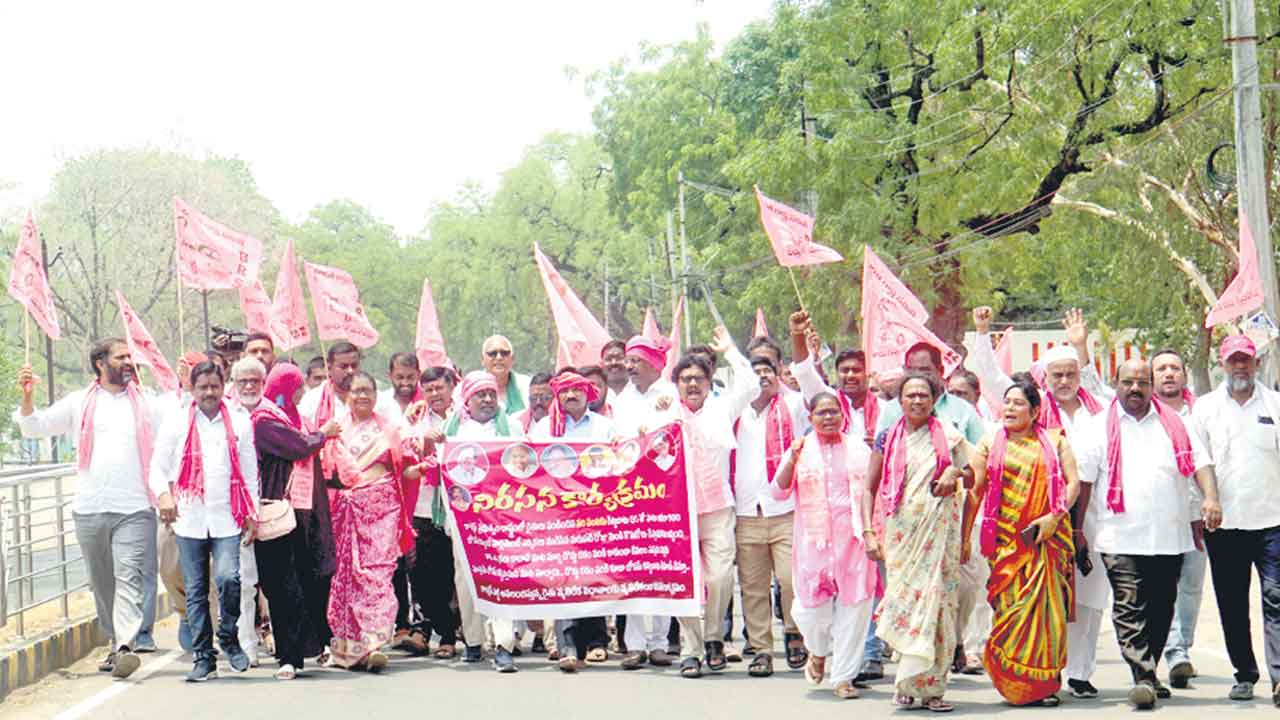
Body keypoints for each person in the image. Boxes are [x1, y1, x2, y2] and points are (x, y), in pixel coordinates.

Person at [969, 306, 1112, 700]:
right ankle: (1037, 675)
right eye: (1057, 375)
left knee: (1090, 598)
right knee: (1049, 602)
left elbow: (1104, 386)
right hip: (1036, 526)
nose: (1065, 380)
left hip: (1095, 517)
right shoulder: (1034, 413)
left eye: (1072, 373)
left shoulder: (1097, 407)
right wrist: (982, 333)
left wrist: (1082, 346)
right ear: (1043, 380)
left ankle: (1080, 673)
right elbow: (992, 376)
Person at [1074, 359, 1221, 709]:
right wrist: (1077, 528)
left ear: (1152, 385)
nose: (1135, 389)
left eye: (1142, 382)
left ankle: (1150, 671)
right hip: (1119, 535)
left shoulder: (1176, 424)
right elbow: (1083, 482)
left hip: (1168, 536)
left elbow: (1201, 464)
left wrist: (1211, 498)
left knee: (1160, 607)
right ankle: (1142, 676)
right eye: (1128, 382)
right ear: (1117, 383)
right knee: (1129, 606)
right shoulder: (1098, 427)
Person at [15, 339, 165, 679]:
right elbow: (34, 427)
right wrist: (27, 397)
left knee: (129, 577)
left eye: (130, 357)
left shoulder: (147, 404)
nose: (129, 362)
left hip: (135, 507)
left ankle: (126, 645)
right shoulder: (78, 402)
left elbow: (172, 434)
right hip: (90, 507)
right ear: (101, 363)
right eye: (121, 357)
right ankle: (115, 639)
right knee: (102, 583)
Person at [965, 375, 1080, 706]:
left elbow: (1072, 483)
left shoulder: (1056, 442)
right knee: (1011, 613)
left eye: (1019, 403)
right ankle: (1014, 686)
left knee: (1046, 616)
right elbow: (975, 492)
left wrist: (1054, 516)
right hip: (1006, 547)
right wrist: (963, 538)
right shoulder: (989, 443)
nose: (1010, 408)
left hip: (1047, 543)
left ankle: (1043, 685)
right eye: (1007, 402)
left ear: (1034, 410)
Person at [788, 314, 889, 679]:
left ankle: (866, 656)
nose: (849, 376)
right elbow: (802, 370)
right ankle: (820, 650)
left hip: (874, 514)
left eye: (856, 371)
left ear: (868, 375)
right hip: (822, 527)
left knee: (865, 593)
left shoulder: (888, 408)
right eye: (843, 370)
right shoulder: (831, 405)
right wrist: (798, 335)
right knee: (815, 603)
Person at [869, 371, 973, 712]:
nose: (916, 401)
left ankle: (934, 689)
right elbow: (868, 488)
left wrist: (953, 473)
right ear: (900, 401)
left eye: (923, 395)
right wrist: (869, 532)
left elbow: (976, 473)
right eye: (910, 395)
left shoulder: (950, 436)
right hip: (901, 539)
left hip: (940, 537)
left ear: (934, 400)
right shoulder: (887, 438)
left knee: (939, 608)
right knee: (907, 607)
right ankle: (905, 683)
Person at [150, 360, 259, 682]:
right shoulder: (176, 423)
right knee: (196, 590)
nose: (209, 392)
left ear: (224, 386)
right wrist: (164, 496)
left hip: (227, 517)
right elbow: (156, 468)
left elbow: (251, 473)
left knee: (228, 580)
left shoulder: (240, 423)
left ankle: (228, 636)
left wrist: (253, 514)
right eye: (203, 387)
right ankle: (203, 656)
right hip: (188, 517)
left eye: (215, 386)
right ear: (192, 389)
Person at [770, 392, 879, 699]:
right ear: (811, 418)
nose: (829, 418)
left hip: (854, 540)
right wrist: (791, 460)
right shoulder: (800, 450)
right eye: (822, 413)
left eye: (834, 412)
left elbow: (875, 490)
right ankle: (817, 651)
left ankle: (843, 677)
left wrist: (873, 534)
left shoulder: (859, 448)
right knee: (809, 611)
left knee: (855, 609)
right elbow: (778, 492)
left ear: (843, 416)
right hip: (813, 543)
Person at [1191, 335, 1280, 704]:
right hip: (1223, 524)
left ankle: (1278, 679)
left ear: (1256, 364)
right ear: (1222, 364)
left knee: (1277, 597)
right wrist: (1210, 499)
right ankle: (1244, 673)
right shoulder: (1206, 408)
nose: (1240, 367)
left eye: (1246, 360)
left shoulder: (1275, 404)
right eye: (1233, 361)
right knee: (1231, 602)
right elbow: (1200, 459)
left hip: (1273, 520)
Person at [668, 328, 760, 678]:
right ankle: (691, 651)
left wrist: (731, 351)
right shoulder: (665, 412)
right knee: (685, 582)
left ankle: (713, 639)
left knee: (720, 577)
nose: (692, 385)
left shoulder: (722, 409)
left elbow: (751, 386)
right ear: (676, 384)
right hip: (676, 512)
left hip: (718, 506)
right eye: (686, 379)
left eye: (699, 379)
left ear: (709, 382)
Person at [325, 371, 424, 672]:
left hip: (381, 510)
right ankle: (350, 649)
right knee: (345, 578)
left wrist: (425, 456)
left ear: (376, 394)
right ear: (347, 395)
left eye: (368, 390)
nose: (362, 396)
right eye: (356, 391)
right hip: (344, 513)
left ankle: (375, 642)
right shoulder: (334, 429)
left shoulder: (391, 430)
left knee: (377, 574)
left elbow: (408, 463)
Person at [249, 361, 340, 680]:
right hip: (277, 516)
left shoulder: (295, 419)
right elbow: (298, 447)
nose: (301, 392)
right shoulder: (264, 422)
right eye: (296, 386)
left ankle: (312, 646)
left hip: (305, 516)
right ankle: (289, 656)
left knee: (312, 580)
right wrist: (322, 435)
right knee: (282, 586)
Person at [530, 370, 616, 671]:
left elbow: (617, 464)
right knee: (564, 575)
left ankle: (595, 642)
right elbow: (532, 468)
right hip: (559, 515)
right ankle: (567, 645)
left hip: (594, 512)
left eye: (576, 390)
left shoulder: (605, 427)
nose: (570, 395)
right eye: (564, 391)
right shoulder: (543, 430)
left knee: (592, 576)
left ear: (588, 393)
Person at [732, 350, 809, 677]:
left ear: (779, 375)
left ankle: (794, 632)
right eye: (755, 372)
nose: (762, 377)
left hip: (785, 508)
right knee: (753, 587)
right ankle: (762, 649)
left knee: (790, 580)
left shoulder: (792, 407)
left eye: (768, 371)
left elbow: (810, 385)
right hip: (747, 512)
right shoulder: (735, 413)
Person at [441, 370, 524, 671]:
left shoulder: (511, 427)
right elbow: (438, 467)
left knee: (502, 578)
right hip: (465, 521)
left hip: (502, 518)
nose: (488, 399)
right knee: (465, 581)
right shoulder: (451, 431)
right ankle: (474, 642)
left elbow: (525, 464)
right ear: (468, 399)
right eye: (481, 394)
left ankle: (504, 646)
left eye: (491, 393)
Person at [614, 334, 681, 666]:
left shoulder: (671, 394)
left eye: (636, 360)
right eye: (628, 360)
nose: (629, 366)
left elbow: (675, 436)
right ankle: (635, 644)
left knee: (661, 567)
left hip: (664, 495)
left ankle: (659, 642)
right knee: (633, 568)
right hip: (630, 495)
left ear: (654, 364)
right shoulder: (621, 399)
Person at [394, 364, 462, 660]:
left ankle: (448, 636)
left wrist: (447, 443)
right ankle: (425, 628)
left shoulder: (465, 416)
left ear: (451, 388)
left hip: (458, 508)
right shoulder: (415, 419)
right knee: (421, 572)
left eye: (440, 388)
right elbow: (402, 452)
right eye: (430, 389)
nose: (435, 394)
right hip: (423, 505)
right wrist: (423, 445)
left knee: (450, 574)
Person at [1146, 348, 1203, 690]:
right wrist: (1081, 348)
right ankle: (1174, 651)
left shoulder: (1203, 412)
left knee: (1192, 586)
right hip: (1157, 514)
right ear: (1152, 378)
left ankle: (1181, 647)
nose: (1168, 373)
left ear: (1184, 374)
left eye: (1174, 368)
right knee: (1161, 586)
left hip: (1197, 513)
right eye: (1161, 369)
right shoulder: (1141, 413)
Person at [298, 342, 361, 426]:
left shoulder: (370, 397)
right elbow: (301, 434)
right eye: (343, 366)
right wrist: (322, 434)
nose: (350, 371)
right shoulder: (312, 399)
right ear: (329, 368)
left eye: (354, 366)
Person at [482, 335, 531, 414]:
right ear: (482, 359)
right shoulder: (467, 389)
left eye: (504, 353)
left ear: (512, 359)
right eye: (492, 353)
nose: (499, 358)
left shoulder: (527, 385)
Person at [375, 352, 422, 423]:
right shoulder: (380, 402)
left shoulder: (428, 402)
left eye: (410, 377)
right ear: (390, 376)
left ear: (418, 375)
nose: (405, 383)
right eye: (400, 377)